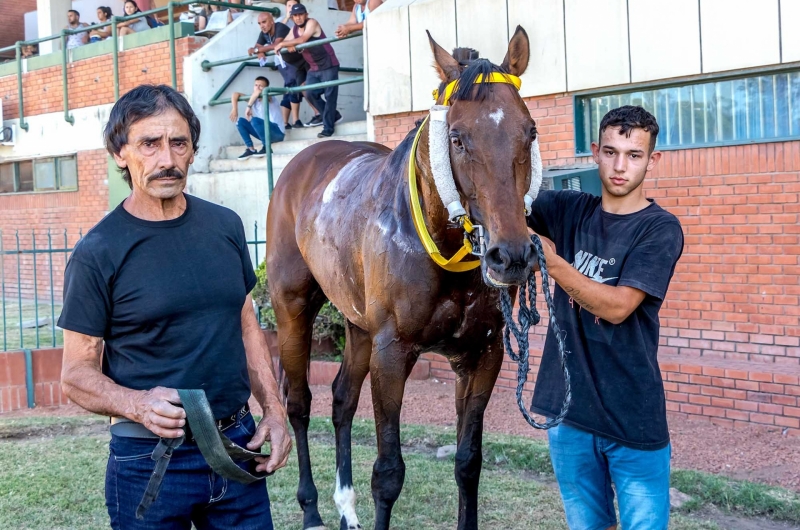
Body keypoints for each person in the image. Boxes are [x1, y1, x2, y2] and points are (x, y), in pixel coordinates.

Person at [59, 84, 292, 529]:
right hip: (149, 458)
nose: (167, 159)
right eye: (150, 143)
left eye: (178, 143)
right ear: (120, 154)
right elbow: (75, 375)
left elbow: (245, 324)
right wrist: (137, 403)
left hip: (236, 445)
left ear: (191, 150)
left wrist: (275, 412)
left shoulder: (225, 225)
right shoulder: (99, 251)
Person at [527, 105, 683, 530]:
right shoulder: (567, 210)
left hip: (632, 418)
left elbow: (618, 307)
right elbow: (503, 197)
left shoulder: (659, 228)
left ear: (653, 161)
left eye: (633, 155)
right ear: (595, 152)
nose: (619, 166)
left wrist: (553, 263)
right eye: (610, 152)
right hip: (569, 414)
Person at [274, 3, 342, 138]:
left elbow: (303, 39)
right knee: (309, 93)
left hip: (328, 65)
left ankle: (328, 128)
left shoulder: (312, 22)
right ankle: (333, 116)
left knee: (330, 97)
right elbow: (284, 42)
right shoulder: (293, 30)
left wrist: (286, 44)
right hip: (314, 68)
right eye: (295, 16)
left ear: (306, 15)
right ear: (292, 17)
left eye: (300, 14)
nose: (298, 18)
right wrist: (288, 44)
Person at [248, 11, 309, 130]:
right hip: (283, 63)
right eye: (259, 23)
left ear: (272, 21)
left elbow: (277, 45)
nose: (262, 25)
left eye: (264, 22)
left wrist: (258, 51)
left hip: (296, 61)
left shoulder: (280, 27)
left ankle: (302, 118)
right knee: (289, 87)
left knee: (297, 87)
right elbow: (257, 47)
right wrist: (258, 50)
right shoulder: (263, 32)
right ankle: (286, 122)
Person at [230, 76, 285, 160]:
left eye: (260, 85)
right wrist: (234, 109)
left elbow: (258, 92)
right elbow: (235, 94)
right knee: (240, 121)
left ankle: (267, 148)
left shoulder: (270, 97)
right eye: (255, 85)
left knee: (254, 120)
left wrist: (248, 107)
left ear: (266, 88)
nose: (257, 87)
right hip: (264, 133)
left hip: (277, 133)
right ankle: (251, 149)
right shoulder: (254, 100)